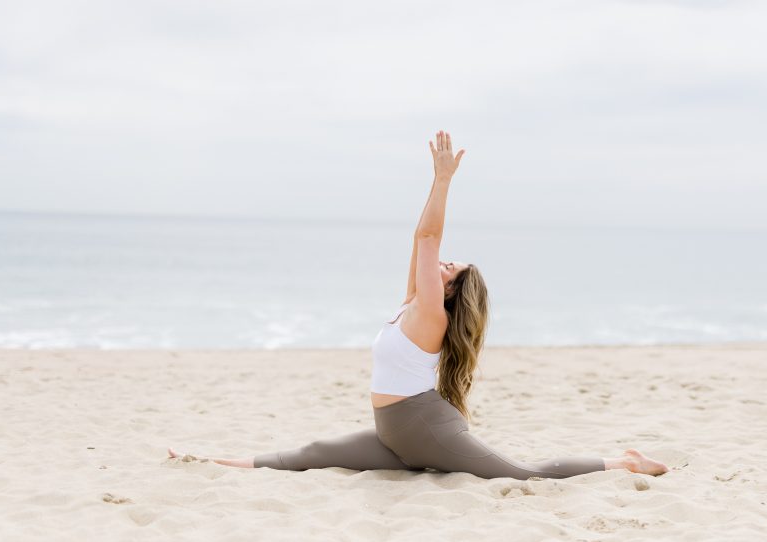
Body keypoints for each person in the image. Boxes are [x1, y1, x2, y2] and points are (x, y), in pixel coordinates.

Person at [168, 130, 669, 479]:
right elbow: (420, 239)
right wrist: (432, 191)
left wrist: (444, 178)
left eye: (450, 270)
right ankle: (209, 460)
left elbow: (428, 235)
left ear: (449, 292)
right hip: (398, 433)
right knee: (315, 453)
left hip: (422, 428)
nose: (442, 265)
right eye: (445, 263)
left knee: (524, 473)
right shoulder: (412, 303)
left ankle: (625, 464)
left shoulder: (433, 315)